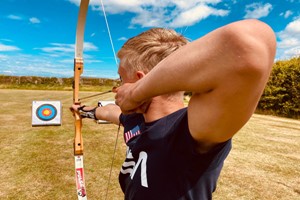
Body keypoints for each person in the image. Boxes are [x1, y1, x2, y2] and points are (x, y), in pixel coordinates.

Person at [71, 19, 276, 199]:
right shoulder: (136, 119)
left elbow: (248, 42)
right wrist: (84, 111)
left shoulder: (190, 130)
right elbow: (111, 113)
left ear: (139, 81)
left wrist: (135, 94)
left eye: (121, 78)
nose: (117, 87)